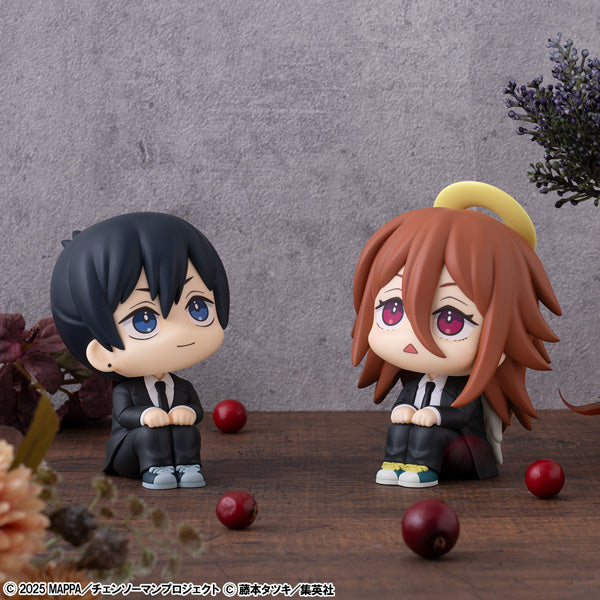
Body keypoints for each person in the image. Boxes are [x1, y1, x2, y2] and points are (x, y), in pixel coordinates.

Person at [351, 181, 561, 488]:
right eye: (392, 310)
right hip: (433, 439)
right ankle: (395, 464)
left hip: (465, 450)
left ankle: (422, 470)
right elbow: (406, 404)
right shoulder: (416, 383)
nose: (414, 336)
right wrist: (404, 409)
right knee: (400, 425)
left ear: (505, 337)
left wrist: (435, 416)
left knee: (428, 433)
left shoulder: (463, 391)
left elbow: (462, 416)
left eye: (452, 320)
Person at [51, 212, 229, 490]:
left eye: (198, 307)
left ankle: (188, 466)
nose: (180, 332)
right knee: (148, 434)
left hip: (176, 447)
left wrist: (189, 412)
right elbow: (124, 416)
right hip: (131, 453)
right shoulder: (127, 392)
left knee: (188, 430)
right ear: (100, 353)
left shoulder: (182, 388)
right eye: (143, 319)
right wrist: (145, 416)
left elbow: (196, 409)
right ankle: (155, 470)